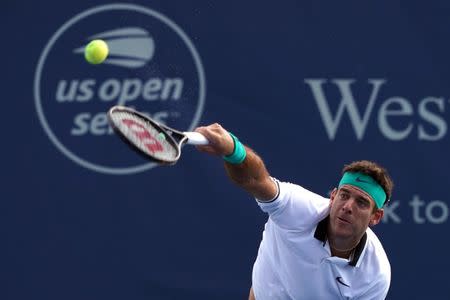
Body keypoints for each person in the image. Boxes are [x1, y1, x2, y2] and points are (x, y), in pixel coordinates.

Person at [195, 123, 393, 300]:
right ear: (332, 197)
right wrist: (234, 150)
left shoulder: (375, 275)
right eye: (344, 195)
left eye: (361, 203)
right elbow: (256, 180)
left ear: (376, 217)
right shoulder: (298, 209)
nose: (348, 206)